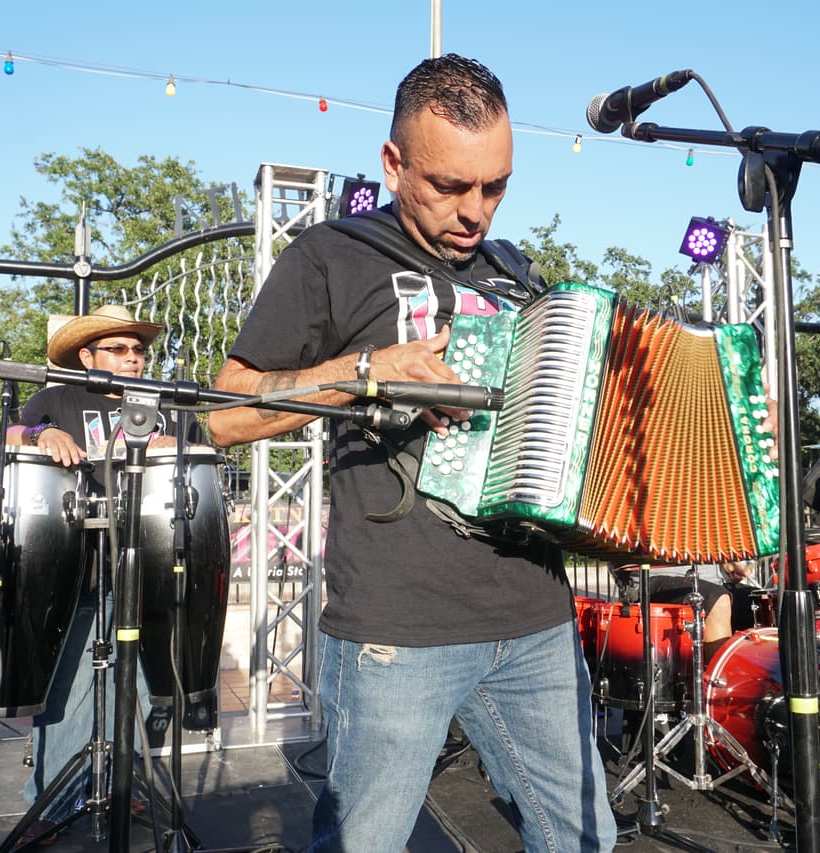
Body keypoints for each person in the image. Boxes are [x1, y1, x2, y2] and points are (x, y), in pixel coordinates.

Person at [209, 54, 617, 851]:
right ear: (394, 164)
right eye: (449, 186)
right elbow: (225, 413)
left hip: (533, 613)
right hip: (397, 628)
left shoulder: (517, 277)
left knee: (582, 839)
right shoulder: (330, 255)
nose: (476, 211)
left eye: (495, 185)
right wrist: (364, 373)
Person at [6, 304, 197, 838]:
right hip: (73, 563)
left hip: (147, 561)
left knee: (131, 679)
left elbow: (203, 458)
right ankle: (53, 797)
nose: (133, 359)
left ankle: (119, 786)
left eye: (138, 351)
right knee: (68, 685)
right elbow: (9, 431)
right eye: (119, 349)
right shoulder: (59, 397)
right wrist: (38, 436)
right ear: (87, 355)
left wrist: (179, 445)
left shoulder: (164, 403)